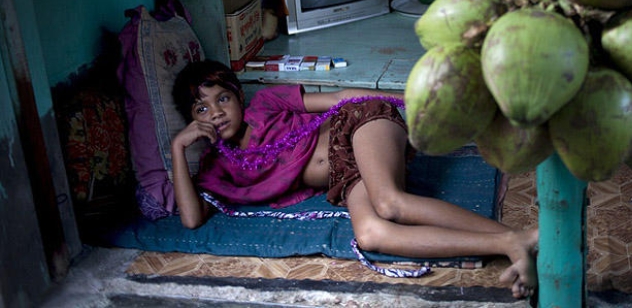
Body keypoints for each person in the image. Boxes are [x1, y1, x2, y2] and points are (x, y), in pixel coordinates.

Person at [170, 59, 538, 298]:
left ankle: (510, 240)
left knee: (390, 203)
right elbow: (190, 219)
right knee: (373, 234)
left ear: (238, 96)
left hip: (358, 125)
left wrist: (417, 100)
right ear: (192, 120)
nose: (216, 112)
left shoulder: (265, 104)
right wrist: (177, 147)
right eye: (202, 108)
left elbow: (342, 98)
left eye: (223, 99)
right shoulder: (218, 169)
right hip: (346, 176)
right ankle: (512, 242)